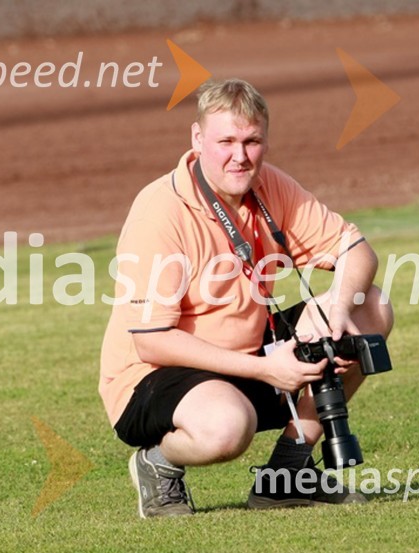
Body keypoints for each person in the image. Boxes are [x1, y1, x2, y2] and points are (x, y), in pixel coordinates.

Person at [99, 78, 394, 518]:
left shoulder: (270, 185)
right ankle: (157, 463)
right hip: (155, 374)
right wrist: (267, 369)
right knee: (227, 428)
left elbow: (356, 249)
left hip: (251, 355)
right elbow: (152, 341)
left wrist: (336, 309)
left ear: (266, 140)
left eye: (252, 141)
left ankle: (287, 473)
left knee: (370, 305)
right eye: (227, 141)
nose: (240, 156)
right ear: (197, 139)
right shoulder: (159, 210)